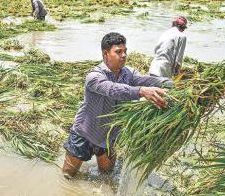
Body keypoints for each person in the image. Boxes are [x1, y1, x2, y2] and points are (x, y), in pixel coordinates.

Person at [61, 33, 172, 177]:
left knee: (107, 176)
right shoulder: (94, 76)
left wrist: (176, 84)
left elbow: (150, 80)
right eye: (118, 52)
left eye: (125, 51)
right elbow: (113, 90)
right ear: (105, 54)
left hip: (108, 136)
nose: (124, 55)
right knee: (68, 176)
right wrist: (141, 91)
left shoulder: (129, 73)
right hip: (85, 133)